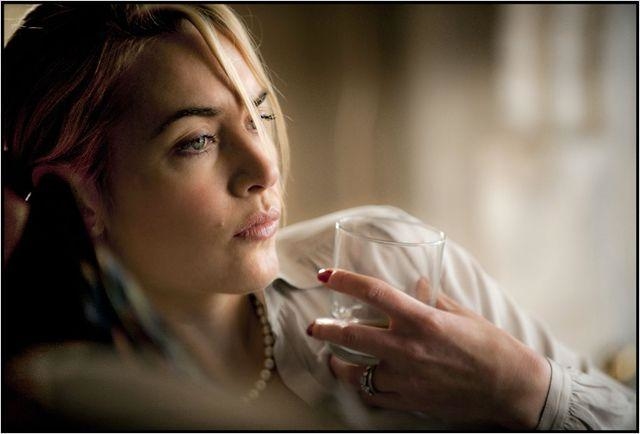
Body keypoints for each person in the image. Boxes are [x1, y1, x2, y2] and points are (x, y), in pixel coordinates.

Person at [2, 3, 635, 430]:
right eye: (196, 140)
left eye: (260, 114)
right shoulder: (59, 396)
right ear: (78, 196)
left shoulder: (388, 261)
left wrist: (524, 388)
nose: (264, 165)